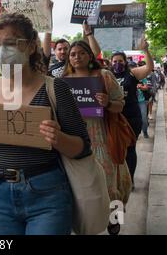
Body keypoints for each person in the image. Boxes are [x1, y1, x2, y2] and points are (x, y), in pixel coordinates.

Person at [0, 13, 92, 235]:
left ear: (31, 47)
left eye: (10, 43)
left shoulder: (56, 89)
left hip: (47, 195)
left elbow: (82, 147)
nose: (2, 50)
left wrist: (59, 139)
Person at [62, 40, 132, 234]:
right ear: (68, 58)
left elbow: (120, 105)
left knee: (110, 182)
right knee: (81, 187)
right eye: (73, 54)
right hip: (75, 139)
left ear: (90, 56)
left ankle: (114, 220)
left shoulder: (103, 76)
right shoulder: (63, 79)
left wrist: (108, 102)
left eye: (81, 53)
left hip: (102, 137)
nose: (77, 57)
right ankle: (86, 223)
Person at [111, 36, 153, 186]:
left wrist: (145, 50)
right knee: (113, 149)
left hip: (131, 118)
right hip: (112, 119)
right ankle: (116, 179)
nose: (117, 64)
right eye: (114, 61)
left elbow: (149, 68)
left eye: (120, 61)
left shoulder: (132, 73)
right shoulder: (105, 75)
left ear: (126, 62)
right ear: (110, 63)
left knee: (129, 149)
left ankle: (129, 179)